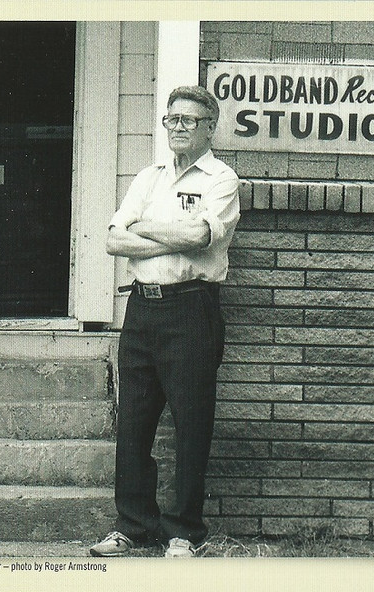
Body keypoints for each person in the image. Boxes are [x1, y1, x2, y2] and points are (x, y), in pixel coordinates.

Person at [90, 85, 240, 558]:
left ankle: (183, 532)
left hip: (191, 309)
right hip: (142, 310)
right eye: (172, 118)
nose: (177, 127)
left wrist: (144, 228)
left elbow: (200, 236)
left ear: (210, 127)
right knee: (133, 424)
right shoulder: (148, 178)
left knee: (191, 425)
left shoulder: (221, 179)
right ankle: (133, 526)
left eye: (189, 120)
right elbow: (114, 241)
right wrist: (169, 234)